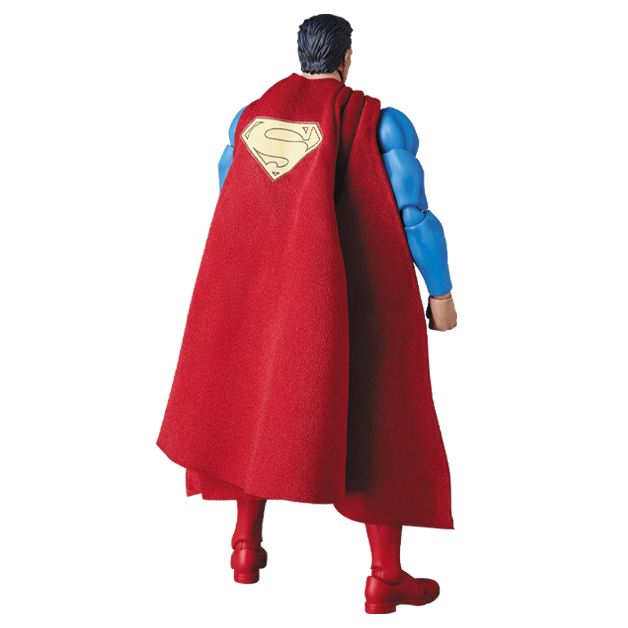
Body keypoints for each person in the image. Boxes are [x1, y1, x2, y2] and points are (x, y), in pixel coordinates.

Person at [157, 14, 457, 614]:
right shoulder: (380, 123)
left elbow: (231, 199)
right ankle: (384, 577)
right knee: (383, 416)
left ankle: (245, 549)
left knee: (251, 400)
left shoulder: (249, 118)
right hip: (358, 298)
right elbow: (414, 216)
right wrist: (442, 293)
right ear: (346, 58)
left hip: (259, 293)